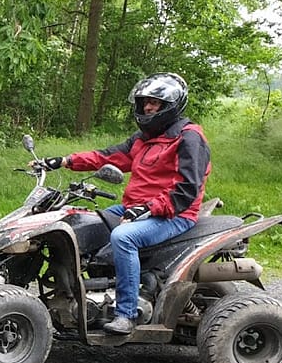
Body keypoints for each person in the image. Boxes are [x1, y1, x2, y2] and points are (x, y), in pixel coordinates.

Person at [33, 72, 211, 335]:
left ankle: (126, 314)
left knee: (123, 237)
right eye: (145, 102)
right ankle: (86, 294)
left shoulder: (189, 138)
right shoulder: (144, 138)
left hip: (174, 214)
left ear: (171, 105)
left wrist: (148, 208)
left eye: (155, 103)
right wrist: (64, 161)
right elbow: (108, 157)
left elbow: (187, 189)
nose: (148, 107)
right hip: (137, 207)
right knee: (82, 224)